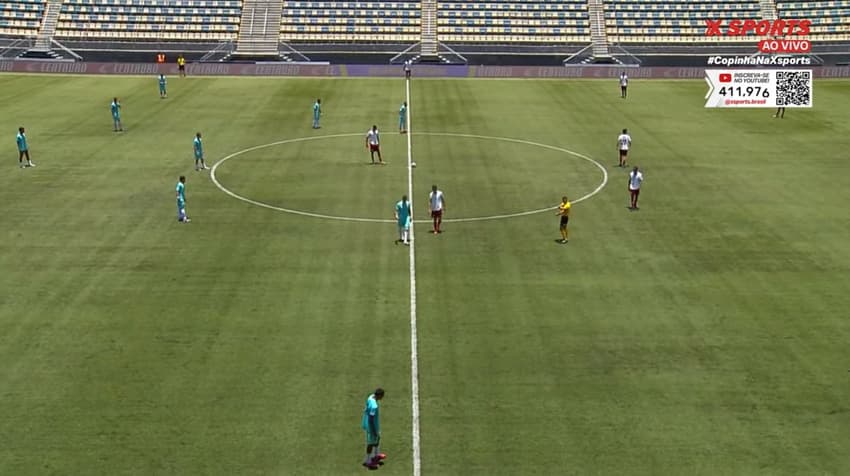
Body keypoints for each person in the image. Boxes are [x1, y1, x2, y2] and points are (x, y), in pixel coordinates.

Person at [361, 388, 386, 470]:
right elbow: (371, 419)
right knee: (371, 443)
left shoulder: (370, 397)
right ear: (379, 395)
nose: (382, 397)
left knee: (378, 438)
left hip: (369, 423)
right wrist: (374, 431)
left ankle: (376, 455)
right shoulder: (374, 406)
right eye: (382, 396)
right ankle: (368, 461)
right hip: (372, 426)